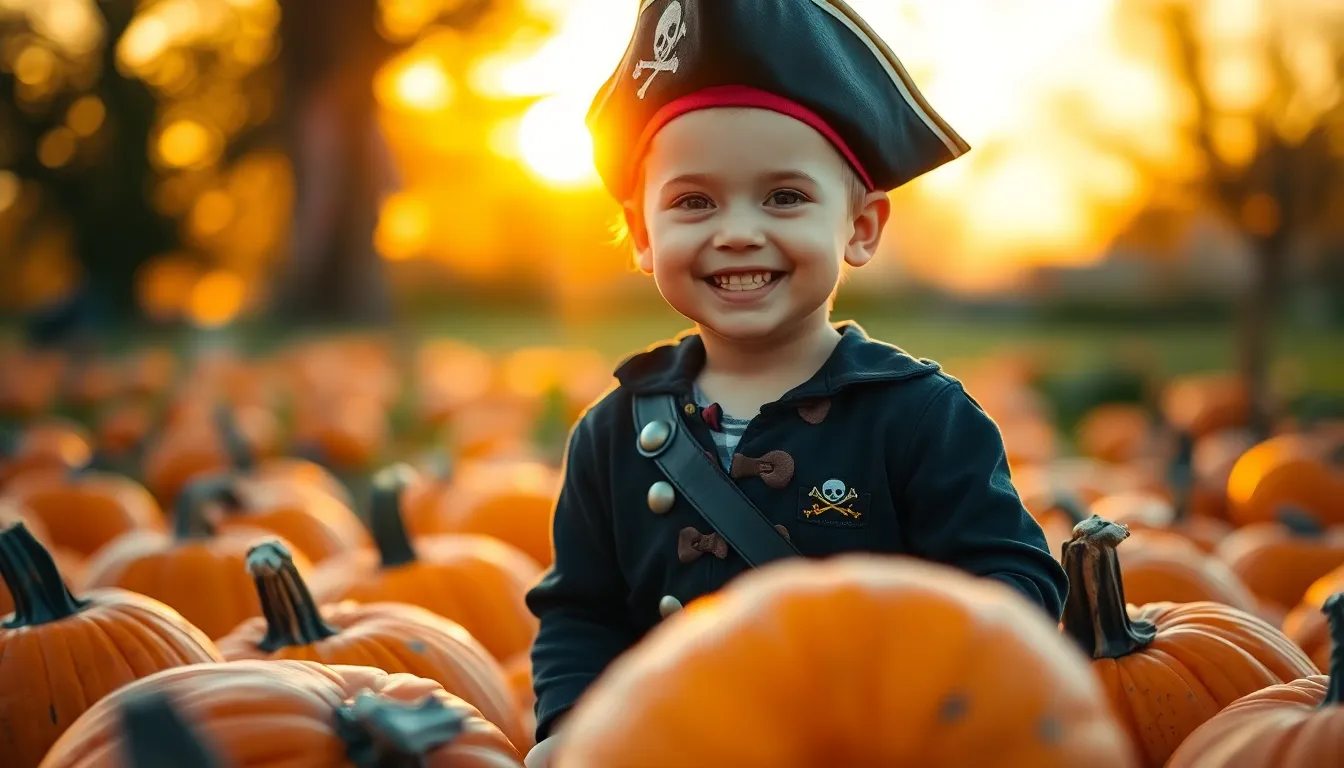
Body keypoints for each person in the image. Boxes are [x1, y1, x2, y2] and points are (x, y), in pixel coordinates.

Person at [523, 1, 1068, 764]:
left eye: (784, 196)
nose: (738, 230)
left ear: (861, 228)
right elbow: (579, 612)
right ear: (644, 236)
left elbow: (1014, 584)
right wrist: (573, 729)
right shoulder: (614, 431)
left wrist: (916, 671)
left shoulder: (921, 417)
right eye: (693, 202)